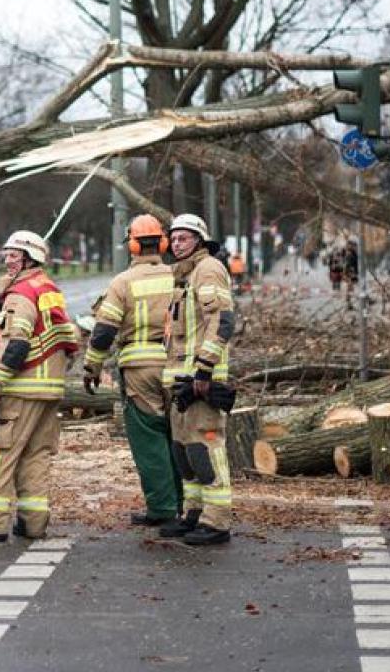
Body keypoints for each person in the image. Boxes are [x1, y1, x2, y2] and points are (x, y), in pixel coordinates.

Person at [0, 231, 78, 542]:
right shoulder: (49, 289)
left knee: (1, 453)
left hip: (21, 389)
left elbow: (17, 344)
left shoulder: (21, 294)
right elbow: (67, 339)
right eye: (7, 254)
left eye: (14, 255)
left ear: (31, 258)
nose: (7, 260)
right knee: (36, 455)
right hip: (49, 389)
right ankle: (32, 523)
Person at [83, 214, 181, 527]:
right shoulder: (178, 275)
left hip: (140, 369)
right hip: (179, 366)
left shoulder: (123, 282)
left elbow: (103, 331)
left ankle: (163, 508)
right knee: (178, 435)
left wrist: (92, 366)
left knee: (149, 438)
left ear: (133, 245)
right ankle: (186, 505)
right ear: (163, 242)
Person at [158, 214, 236, 546]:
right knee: (184, 451)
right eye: (173, 239)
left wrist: (204, 369)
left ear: (200, 242)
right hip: (181, 380)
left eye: (184, 238)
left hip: (200, 380)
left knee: (205, 449)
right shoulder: (184, 276)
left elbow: (222, 320)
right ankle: (194, 512)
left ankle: (217, 521)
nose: (176, 244)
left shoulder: (207, 270)